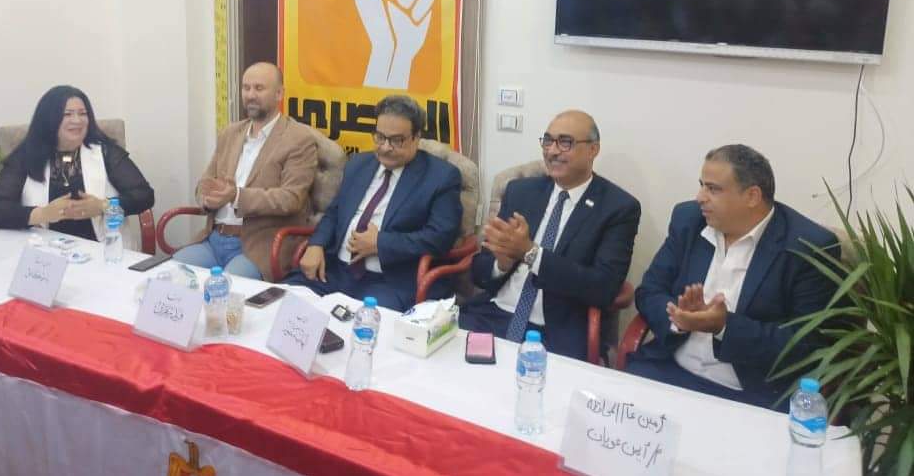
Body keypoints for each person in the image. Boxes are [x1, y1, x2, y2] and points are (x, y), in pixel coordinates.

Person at [626, 144, 839, 410]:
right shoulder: (688, 220)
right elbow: (650, 290)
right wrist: (678, 318)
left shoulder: (808, 246)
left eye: (713, 189)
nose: (700, 197)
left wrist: (724, 326)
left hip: (749, 393)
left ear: (752, 196)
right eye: (702, 185)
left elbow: (806, 342)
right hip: (668, 370)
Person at [459, 110, 641, 361]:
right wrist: (501, 264)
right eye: (547, 141)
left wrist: (531, 254)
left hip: (557, 331)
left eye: (565, 142)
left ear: (593, 149)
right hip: (492, 314)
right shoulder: (520, 192)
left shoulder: (617, 208)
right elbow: (479, 272)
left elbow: (603, 287)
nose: (552, 151)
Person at [284, 95, 462, 311]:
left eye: (396, 140)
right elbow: (335, 212)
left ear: (416, 138)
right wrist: (316, 244)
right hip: (334, 271)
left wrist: (381, 243)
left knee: (363, 322)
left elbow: (440, 238)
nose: (385, 147)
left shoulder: (441, 177)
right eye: (380, 137)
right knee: (283, 301)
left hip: (388, 281)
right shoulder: (359, 164)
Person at [174, 62, 317, 280]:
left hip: (258, 247)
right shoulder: (230, 133)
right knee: (170, 277)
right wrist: (207, 197)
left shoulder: (299, 139)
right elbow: (205, 182)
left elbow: (291, 198)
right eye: (246, 88)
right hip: (213, 239)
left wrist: (237, 196)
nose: (250, 95)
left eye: (259, 88)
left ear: (279, 94)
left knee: (227, 289)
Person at [0, 85, 154, 241]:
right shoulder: (26, 156)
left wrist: (103, 206)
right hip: (43, 251)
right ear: (49, 119)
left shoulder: (105, 152)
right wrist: (42, 214)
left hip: (101, 249)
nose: (77, 120)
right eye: (67, 114)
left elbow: (144, 195)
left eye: (83, 113)